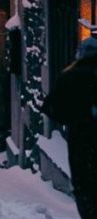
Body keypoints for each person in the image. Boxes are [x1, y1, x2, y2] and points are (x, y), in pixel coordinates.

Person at [42, 37, 97, 219]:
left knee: (85, 185)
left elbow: (52, 109)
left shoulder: (70, 75)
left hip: (81, 141)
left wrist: (74, 116)